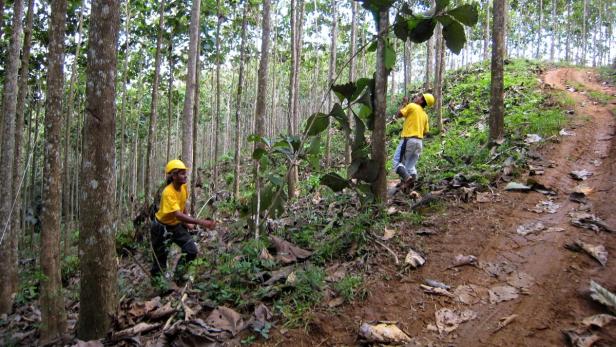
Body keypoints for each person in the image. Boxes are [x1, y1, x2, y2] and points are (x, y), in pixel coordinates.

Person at [150, 159, 216, 281]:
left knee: (191, 250)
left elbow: (182, 205)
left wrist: (188, 222)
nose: (185, 176)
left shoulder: (184, 187)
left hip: (175, 226)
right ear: (174, 176)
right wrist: (200, 222)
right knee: (160, 262)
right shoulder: (167, 192)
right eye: (182, 173)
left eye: (185, 173)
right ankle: (159, 288)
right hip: (161, 228)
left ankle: (178, 277)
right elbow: (177, 214)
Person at [393, 92, 434, 187]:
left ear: (422, 100)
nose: (417, 97)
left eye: (419, 96)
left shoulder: (412, 106)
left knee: (397, 162)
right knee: (410, 166)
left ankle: (407, 179)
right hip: (419, 142)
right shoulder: (425, 115)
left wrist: (404, 103)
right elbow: (425, 132)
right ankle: (410, 186)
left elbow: (398, 115)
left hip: (408, 140)